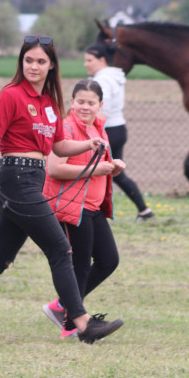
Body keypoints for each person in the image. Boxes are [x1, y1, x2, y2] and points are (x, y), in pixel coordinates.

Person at [0, 35, 124, 344]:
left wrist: (89, 142)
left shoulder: (50, 106)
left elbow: (58, 145)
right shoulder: (11, 95)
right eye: (28, 60)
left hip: (32, 181)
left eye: (41, 61)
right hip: (15, 179)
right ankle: (82, 324)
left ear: (51, 65)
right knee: (61, 249)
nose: (34, 66)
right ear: (21, 62)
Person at [40, 79, 126, 338]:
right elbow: (54, 168)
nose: (84, 107)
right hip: (71, 206)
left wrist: (114, 167)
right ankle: (72, 324)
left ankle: (63, 307)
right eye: (80, 102)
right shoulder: (66, 128)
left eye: (91, 103)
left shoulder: (98, 128)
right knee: (78, 265)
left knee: (108, 260)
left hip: (93, 207)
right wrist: (94, 171)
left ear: (100, 105)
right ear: (72, 102)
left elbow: (99, 165)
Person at [83, 44, 154, 221]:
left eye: (89, 60)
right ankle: (143, 211)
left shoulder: (103, 80)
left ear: (101, 60)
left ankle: (93, 212)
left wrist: (89, 131)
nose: (86, 64)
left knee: (99, 172)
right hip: (118, 128)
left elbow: (101, 110)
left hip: (108, 130)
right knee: (114, 174)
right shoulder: (112, 76)